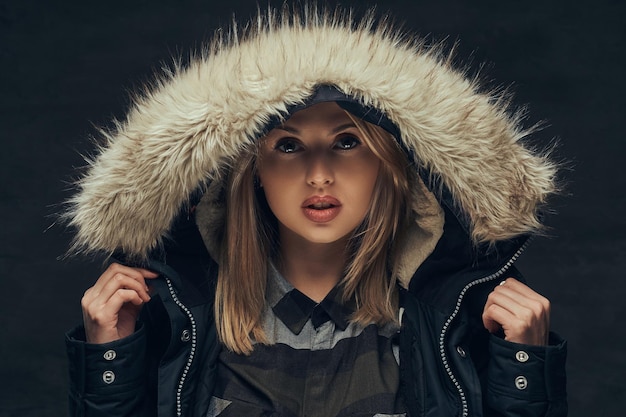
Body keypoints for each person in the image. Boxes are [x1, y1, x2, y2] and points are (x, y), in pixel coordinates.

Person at [64, 5, 567, 417]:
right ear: (251, 170)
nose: (319, 175)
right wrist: (110, 355)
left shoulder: (457, 311)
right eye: (288, 146)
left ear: (388, 164)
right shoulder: (175, 307)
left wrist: (524, 366)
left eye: (347, 142)